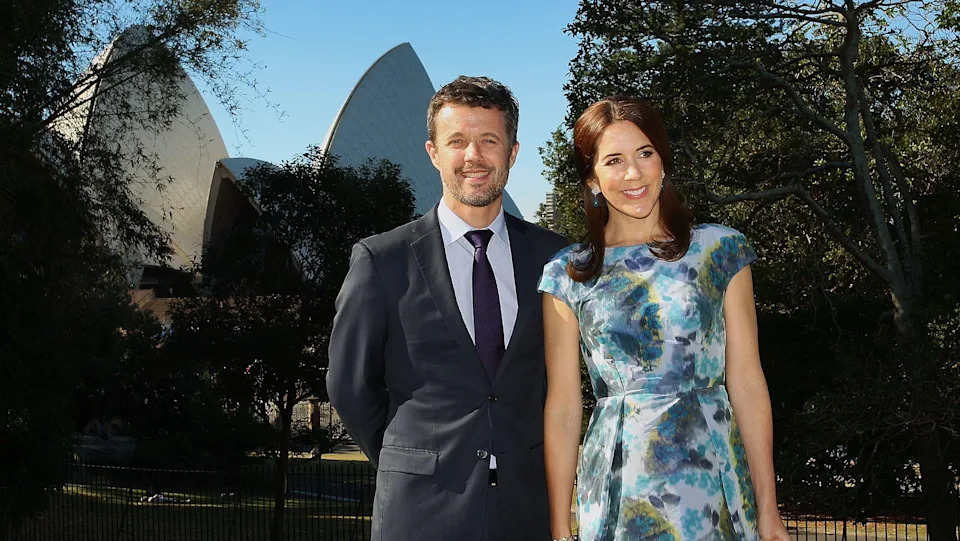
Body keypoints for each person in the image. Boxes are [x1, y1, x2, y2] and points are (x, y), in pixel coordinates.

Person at [538, 96, 791, 540]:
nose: (633, 173)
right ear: (593, 179)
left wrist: (768, 510)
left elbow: (748, 381)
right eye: (614, 160)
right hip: (618, 482)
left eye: (645, 154)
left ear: (662, 162)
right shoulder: (568, 273)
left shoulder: (720, 250)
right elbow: (562, 406)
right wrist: (560, 527)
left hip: (712, 476)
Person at [327, 76, 567, 541]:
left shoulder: (554, 257)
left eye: (489, 140)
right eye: (457, 141)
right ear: (434, 152)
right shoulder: (382, 260)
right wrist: (411, 458)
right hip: (419, 513)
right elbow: (349, 386)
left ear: (512, 153)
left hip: (525, 511)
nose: (473, 156)